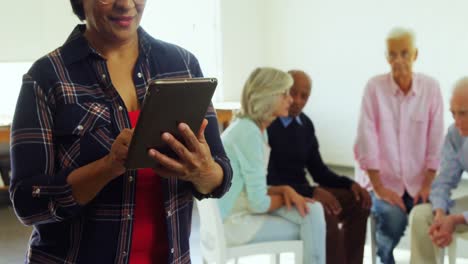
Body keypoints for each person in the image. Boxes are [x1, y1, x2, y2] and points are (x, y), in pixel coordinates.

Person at [9, 0, 232, 263]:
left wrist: (202, 171)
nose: (125, 4)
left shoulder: (182, 65)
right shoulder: (47, 77)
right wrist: (108, 166)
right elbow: (28, 203)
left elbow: (221, 175)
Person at [354, 27, 445, 264]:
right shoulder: (373, 88)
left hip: (420, 182)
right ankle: (385, 255)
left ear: (415, 54)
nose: (398, 60)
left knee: (430, 216)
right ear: (387, 57)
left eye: (404, 54)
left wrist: (427, 185)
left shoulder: (431, 88)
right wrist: (380, 188)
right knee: (393, 219)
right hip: (382, 182)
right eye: (392, 55)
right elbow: (366, 139)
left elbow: (436, 141)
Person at [218, 67, 326, 264]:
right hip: (234, 224)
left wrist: (285, 190)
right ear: (268, 96)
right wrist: (289, 197)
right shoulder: (249, 133)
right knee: (311, 219)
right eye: (284, 94)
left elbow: (251, 189)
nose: (291, 100)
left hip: (235, 212)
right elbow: (258, 203)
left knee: (313, 210)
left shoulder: (251, 128)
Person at [266, 70, 371, 264]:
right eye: (292, 93)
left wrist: (350, 184)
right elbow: (270, 179)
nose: (297, 100)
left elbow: (319, 170)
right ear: (282, 92)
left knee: (358, 202)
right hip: (282, 196)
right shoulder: (268, 125)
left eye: (304, 96)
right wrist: (312, 192)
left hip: (305, 191)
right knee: (325, 215)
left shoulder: (305, 124)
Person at [410, 77, 468, 264]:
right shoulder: (455, 135)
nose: (457, 122)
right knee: (421, 216)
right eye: (454, 114)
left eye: (464, 114)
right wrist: (440, 215)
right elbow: (443, 181)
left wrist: (457, 219)